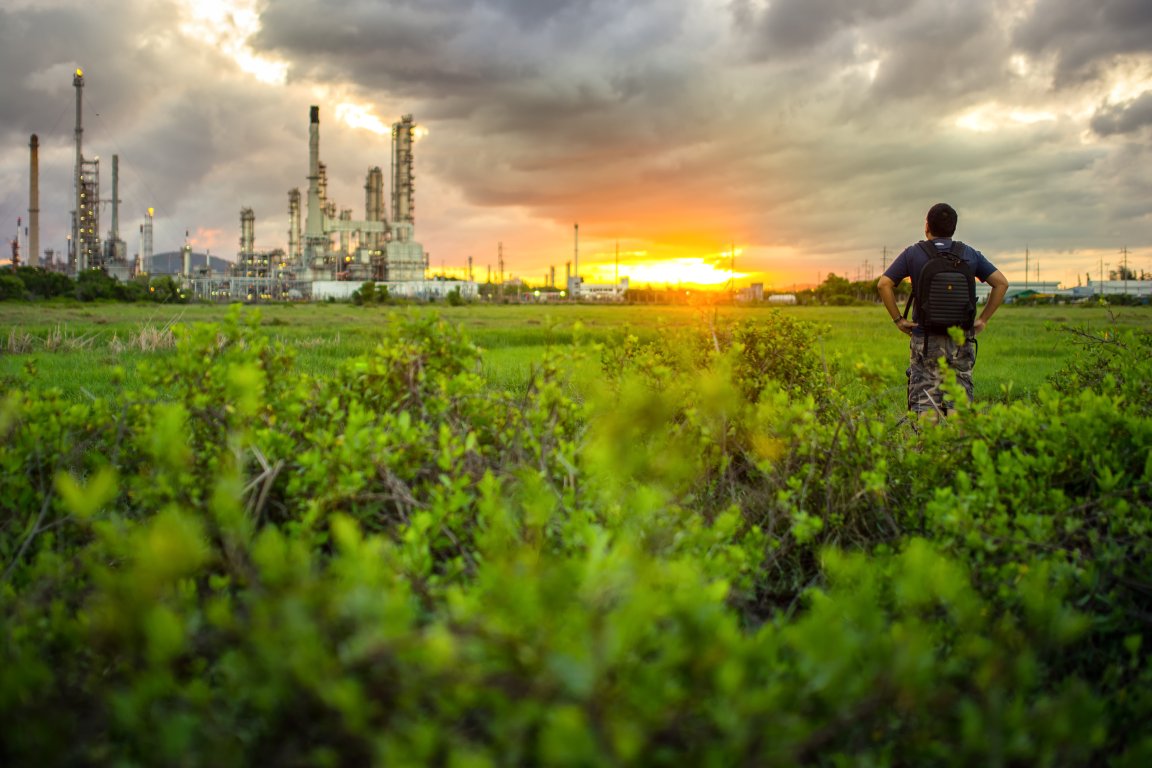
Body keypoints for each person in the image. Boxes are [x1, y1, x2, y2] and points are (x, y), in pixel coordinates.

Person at [876, 203, 1009, 416]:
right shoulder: (969, 253)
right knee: (959, 401)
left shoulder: (913, 254)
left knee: (926, 403)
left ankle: (930, 447)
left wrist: (899, 320)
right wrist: (983, 320)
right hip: (960, 339)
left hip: (925, 338)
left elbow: (884, 284)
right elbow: (1001, 283)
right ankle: (956, 447)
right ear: (953, 228)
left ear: (927, 226)